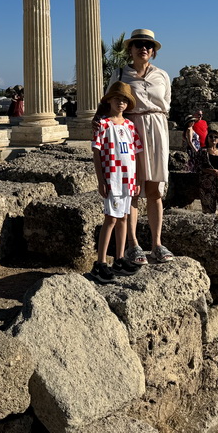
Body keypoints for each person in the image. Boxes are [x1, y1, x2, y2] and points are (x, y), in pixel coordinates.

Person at [110, 28, 173, 265]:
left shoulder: (162, 75)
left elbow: (165, 103)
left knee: (155, 190)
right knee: (133, 190)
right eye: (138, 44)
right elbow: (111, 105)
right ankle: (133, 244)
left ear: (153, 51)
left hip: (157, 128)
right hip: (131, 129)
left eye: (148, 45)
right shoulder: (119, 74)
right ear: (130, 49)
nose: (144, 48)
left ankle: (157, 244)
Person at [89, 81, 143, 283]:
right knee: (110, 219)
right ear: (110, 100)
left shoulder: (129, 125)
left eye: (124, 100)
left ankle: (119, 258)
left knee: (123, 219)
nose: (121, 103)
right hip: (112, 177)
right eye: (118, 98)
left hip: (128, 178)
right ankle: (100, 263)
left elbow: (136, 152)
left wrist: (137, 179)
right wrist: (101, 179)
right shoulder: (102, 124)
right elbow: (96, 151)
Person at [195, 130, 218, 214]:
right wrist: (210, 171)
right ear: (207, 138)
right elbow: (198, 166)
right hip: (207, 184)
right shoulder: (202, 152)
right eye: (210, 136)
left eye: (215, 137)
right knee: (208, 208)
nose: (213, 138)